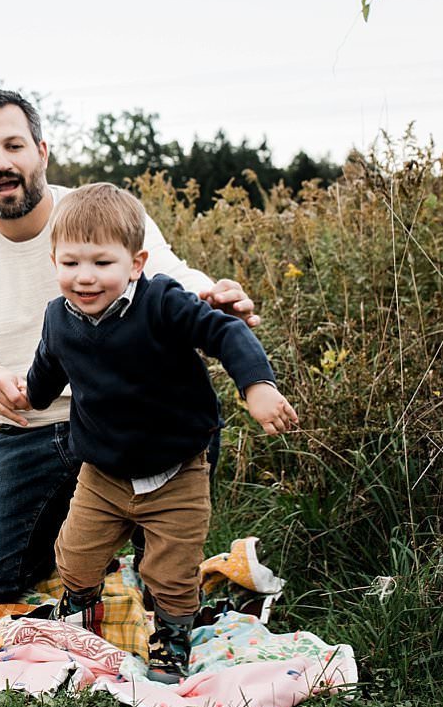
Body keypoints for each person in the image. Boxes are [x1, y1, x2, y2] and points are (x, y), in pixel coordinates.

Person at [0, 89, 261, 613]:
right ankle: (82, 543)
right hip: (29, 432)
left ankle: (150, 555)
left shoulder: (101, 211)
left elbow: (171, 276)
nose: (1, 162)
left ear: (41, 150)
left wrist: (212, 296)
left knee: (165, 591)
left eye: (13, 145)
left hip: (139, 421)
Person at [23, 183, 297, 681]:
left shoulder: (163, 303)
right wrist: (31, 396)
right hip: (103, 471)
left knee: (171, 571)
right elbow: (48, 364)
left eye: (101, 263)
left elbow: (225, 331)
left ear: (136, 262)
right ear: (54, 261)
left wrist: (256, 386)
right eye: (70, 263)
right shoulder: (58, 318)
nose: (84, 278)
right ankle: (82, 605)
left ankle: (171, 632)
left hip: (177, 468)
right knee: (75, 554)